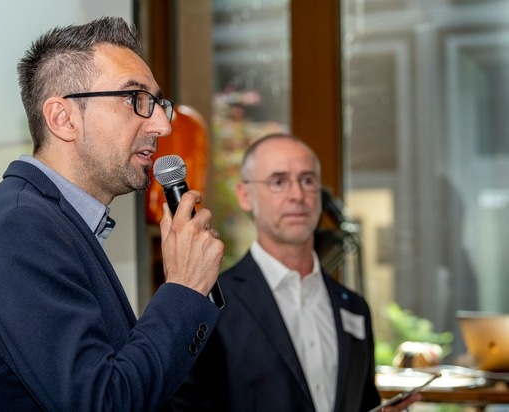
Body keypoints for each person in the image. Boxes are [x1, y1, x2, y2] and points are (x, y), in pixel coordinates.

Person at [0, 16, 224, 412]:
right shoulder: (20, 228)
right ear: (63, 118)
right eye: (135, 98)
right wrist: (185, 287)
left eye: (159, 103)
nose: (162, 124)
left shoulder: (54, 223)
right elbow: (101, 402)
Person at [171, 133, 419, 412]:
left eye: (307, 181)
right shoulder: (212, 305)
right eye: (278, 182)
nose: (298, 195)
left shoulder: (354, 307)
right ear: (245, 196)